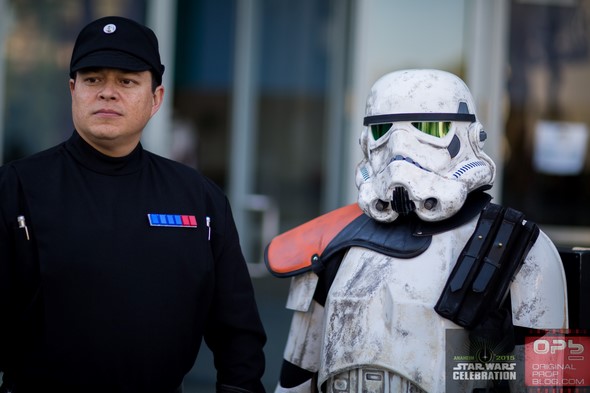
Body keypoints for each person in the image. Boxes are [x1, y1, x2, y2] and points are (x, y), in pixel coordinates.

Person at [0, 16, 266, 393]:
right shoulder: (15, 188)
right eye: (93, 80)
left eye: (126, 81)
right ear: (73, 89)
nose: (108, 93)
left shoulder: (198, 198)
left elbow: (238, 333)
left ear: (156, 97)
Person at [265, 69, 568, 392]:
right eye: (383, 130)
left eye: (428, 128)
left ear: (469, 137)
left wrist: (489, 360)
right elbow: (296, 374)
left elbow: (553, 381)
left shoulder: (517, 244)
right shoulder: (336, 240)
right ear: (366, 141)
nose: (400, 149)